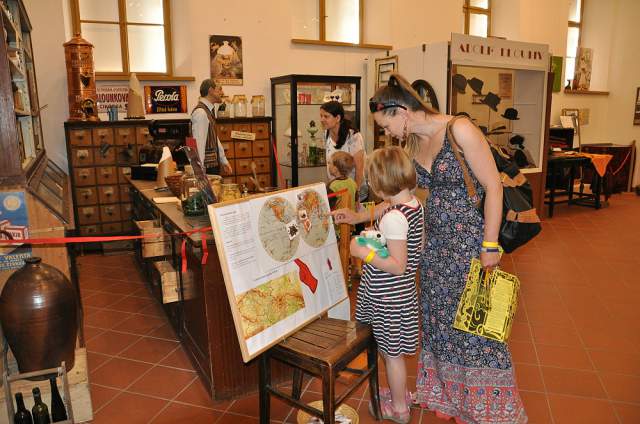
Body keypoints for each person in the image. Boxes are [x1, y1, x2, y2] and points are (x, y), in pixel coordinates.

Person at [334, 72, 527, 423]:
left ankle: (488, 407)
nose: (388, 133)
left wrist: (489, 244)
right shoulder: (413, 145)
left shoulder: (459, 129)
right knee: (440, 327)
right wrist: (360, 215)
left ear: (401, 111)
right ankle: (452, 398)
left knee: (475, 329)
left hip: (469, 248)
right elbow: (399, 197)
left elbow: (493, 187)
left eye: (386, 125)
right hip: (433, 251)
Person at [350, 146, 424, 423]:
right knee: (392, 351)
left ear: (381, 184)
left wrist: (364, 253)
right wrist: (378, 239)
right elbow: (414, 249)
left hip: (387, 297)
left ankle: (399, 408)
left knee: (391, 355)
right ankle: (399, 393)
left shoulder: (394, 216)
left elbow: (398, 265)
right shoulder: (414, 205)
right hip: (401, 294)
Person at [320, 101, 367, 202]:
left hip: (354, 191)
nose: (322, 119)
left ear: (338, 118)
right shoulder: (326, 134)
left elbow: (359, 168)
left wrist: (355, 194)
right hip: (337, 191)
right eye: (321, 116)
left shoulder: (354, 136)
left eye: (326, 116)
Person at [191, 79, 233, 175]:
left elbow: (213, 138)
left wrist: (223, 160)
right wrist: (199, 171)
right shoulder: (201, 113)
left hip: (211, 165)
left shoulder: (208, 111)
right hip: (207, 167)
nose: (223, 93)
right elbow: (198, 144)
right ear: (211, 90)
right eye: (220, 89)